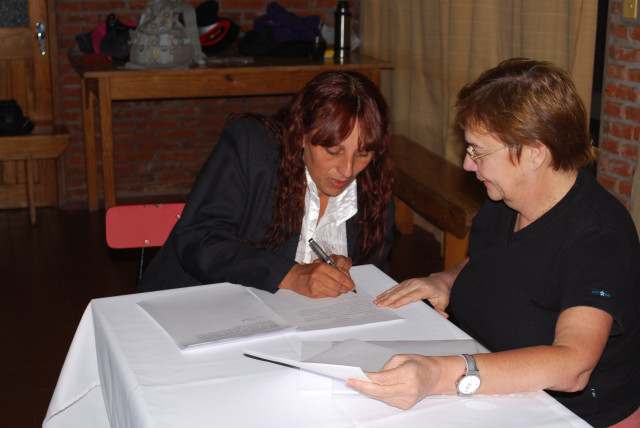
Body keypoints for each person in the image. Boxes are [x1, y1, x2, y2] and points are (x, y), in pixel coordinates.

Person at [346, 58, 640, 428]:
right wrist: (447, 280)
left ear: (534, 152)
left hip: (569, 415)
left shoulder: (598, 237)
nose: (468, 165)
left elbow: (574, 366)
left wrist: (440, 374)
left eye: (478, 152)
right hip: (496, 392)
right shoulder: (508, 198)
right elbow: (494, 257)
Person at [136, 70, 395, 298]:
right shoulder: (253, 149)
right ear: (302, 135)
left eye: (363, 154)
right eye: (333, 151)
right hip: (190, 306)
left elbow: (372, 280)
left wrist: (341, 274)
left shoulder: (372, 190)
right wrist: (291, 275)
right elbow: (199, 238)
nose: (348, 170)